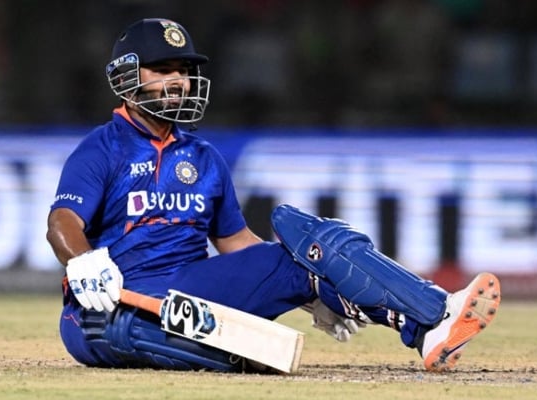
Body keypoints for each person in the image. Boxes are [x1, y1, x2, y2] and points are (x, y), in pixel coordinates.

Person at [46, 17, 501, 373]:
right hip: (124, 293)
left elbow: (237, 243)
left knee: (304, 244)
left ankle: (433, 320)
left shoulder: (204, 157)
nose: (179, 81)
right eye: (163, 69)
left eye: (184, 71)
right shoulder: (100, 149)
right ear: (128, 76)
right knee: (108, 330)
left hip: (191, 285)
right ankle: (222, 347)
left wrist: (314, 291)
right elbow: (62, 222)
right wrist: (82, 260)